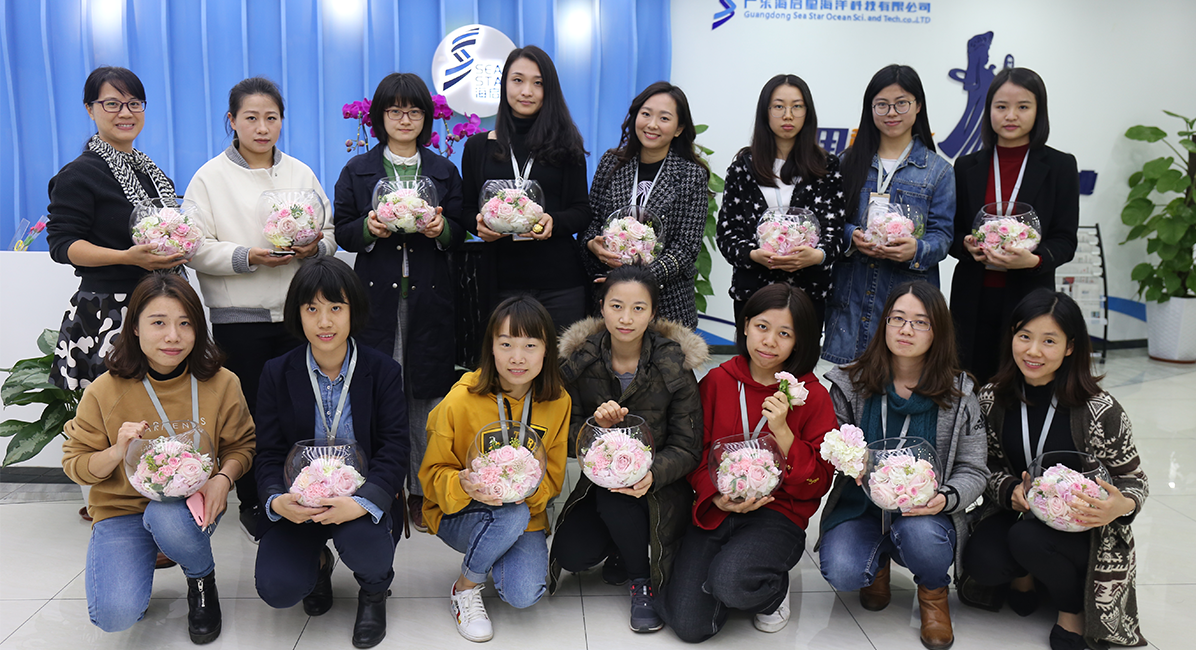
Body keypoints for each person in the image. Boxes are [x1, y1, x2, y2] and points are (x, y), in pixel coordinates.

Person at [60, 272, 255, 644]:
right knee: (114, 615)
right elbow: (76, 464)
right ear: (134, 327)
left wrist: (223, 478)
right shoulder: (104, 390)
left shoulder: (221, 382)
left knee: (165, 517)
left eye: (185, 323)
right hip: (122, 510)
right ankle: (138, 563)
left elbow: (242, 445)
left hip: (190, 505)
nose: (173, 336)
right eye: (159, 323)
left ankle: (201, 578)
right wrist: (117, 451)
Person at [185, 76, 337, 540]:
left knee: (300, 410)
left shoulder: (300, 173)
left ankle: (305, 492)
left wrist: (313, 248)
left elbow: (330, 234)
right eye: (251, 117)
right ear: (232, 121)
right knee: (248, 414)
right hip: (240, 321)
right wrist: (247, 256)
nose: (262, 127)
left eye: (271, 117)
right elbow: (193, 246)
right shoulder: (210, 177)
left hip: (296, 318)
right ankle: (256, 502)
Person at [961, 290, 1148, 650]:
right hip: (1019, 513)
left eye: (1049, 341)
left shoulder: (1099, 409)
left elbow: (1134, 479)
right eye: (1024, 336)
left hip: (1082, 526)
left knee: (1026, 539)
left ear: (1069, 347)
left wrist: (1119, 506)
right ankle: (1027, 574)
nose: (1033, 351)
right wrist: (1009, 488)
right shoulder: (992, 398)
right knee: (983, 562)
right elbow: (986, 465)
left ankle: (1070, 609)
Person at [818, 281, 985, 650]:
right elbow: (830, 447)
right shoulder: (850, 382)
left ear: (938, 331)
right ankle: (877, 565)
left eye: (920, 322)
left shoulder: (959, 394)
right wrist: (848, 461)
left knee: (923, 539)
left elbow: (975, 469)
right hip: (862, 507)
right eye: (897, 318)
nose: (906, 330)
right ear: (884, 324)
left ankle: (933, 594)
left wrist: (946, 498)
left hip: (924, 513)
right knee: (842, 570)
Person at [333, 72, 466, 532]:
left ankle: (421, 491)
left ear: (426, 118)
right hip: (376, 301)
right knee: (380, 390)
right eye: (394, 111)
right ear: (379, 117)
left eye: (413, 111)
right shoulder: (358, 170)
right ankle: (382, 486)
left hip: (429, 299)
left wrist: (442, 230)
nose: (404, 119)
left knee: (425, 398)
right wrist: (369, 228)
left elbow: (461, 229)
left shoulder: (444, 170)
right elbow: (343, 229)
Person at [252, 256, 408, 649]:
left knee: (367, 548)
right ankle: (319, 565)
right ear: (297, 314)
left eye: (336, 308)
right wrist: (276, 500)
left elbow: (394, 448)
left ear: (354, 310)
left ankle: (373, 592)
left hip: (358, 499)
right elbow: (268, 452)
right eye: (312, 309)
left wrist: (362, 503)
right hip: (300, 500)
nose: (324, 322)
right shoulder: (276, 372)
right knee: (277, 588)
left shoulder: (383, 371)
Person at [667, 283, 836, 642]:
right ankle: (734, 577)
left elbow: (820, 481)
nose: (769, 341)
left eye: (785, 333)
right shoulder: (718, 380)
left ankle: (771, 591)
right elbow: (695, 451)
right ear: (745, 326)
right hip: (720, 507)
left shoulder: (812, 395)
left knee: (731, 583)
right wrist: (715, 496)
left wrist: (784, 432)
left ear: (799, 341)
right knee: (689, 626)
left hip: (778, 513)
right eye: (762, 327)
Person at [548, 264, 706, 632]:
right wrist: (594, 430)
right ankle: (622, 545)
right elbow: (562, 434)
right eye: (616, 306)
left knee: (618, 497)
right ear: (601, 307)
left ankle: (641, 580)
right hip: (601, 481)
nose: (626, 318)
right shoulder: (580, 361)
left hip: (661, 485)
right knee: (573, 555)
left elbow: (688, 447)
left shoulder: (672, 363)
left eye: (638, 308)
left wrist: (651, 474)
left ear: (653, 313)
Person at [420, 296, 571, 642]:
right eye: (506, 345)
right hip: (461, 513)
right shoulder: (460, 400)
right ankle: (465, 587)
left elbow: (553, 477)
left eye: (530, 346)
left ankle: (493, 549)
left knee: (524, 594)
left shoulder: (558, 400)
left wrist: (524, 493)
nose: (517, 357)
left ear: (547, 350)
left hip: (524, 511)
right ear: (491, 348)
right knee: (509, 517)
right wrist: (462, 483)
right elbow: (431, 477)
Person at [46, 67, 184, 396]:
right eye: (112, 104)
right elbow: (62, 245)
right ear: (90, 109)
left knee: (166, 407)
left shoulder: (154, 176)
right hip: (110, 311)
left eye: (134, 103)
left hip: (163, 303)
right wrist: (127, 257)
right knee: (115, 412)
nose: (125, 113)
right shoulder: (78, 175)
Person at [949, 68, 1080, 385]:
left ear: (1039, 111)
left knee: (1022, 383)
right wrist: (965, 245)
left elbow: (1065, 239)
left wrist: (1034, 260)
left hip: (1030, 296)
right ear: (989, 110)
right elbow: (952, 233)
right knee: (968, 381)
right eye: (1001, 106)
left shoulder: (1060, 166)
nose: (1011, 115)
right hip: (973, 296)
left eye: (1023, 106)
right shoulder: (966, 166)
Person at [822, 65, 956, 365]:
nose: (891, 112)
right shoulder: (846, 162)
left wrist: (916, 249)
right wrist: (851, 237)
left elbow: (943, 236)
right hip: (852, 296)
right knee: (847, 383)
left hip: (906, 297)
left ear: (918, 106)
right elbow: (830, 221)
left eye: (901, 103)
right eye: (881, 104)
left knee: (902, 375)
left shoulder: (938, 171)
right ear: (870, 108)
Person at [460, 45, 590, 332]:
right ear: (504, 84)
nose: (526, 91)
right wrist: (478, 224)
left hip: (560, 283)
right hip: (500, 281)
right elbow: (466, 209)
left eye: (538, 83)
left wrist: (553, 222)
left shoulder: (567, 145)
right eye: (517, 80)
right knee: (507, 358)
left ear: (549, 89)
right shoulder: (478, 147)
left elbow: (582, 211)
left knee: (562, 360)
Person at [716, 74, 847, 329]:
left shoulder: (826, 167)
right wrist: (753, 254)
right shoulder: (743, 167)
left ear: (807, 112)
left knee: (801, 355)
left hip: (808, 291)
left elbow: (836, 232)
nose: (788, 115)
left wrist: (816, 255)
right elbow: (727, 233)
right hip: (754, 291)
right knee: (756, 354)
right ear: (765, 112)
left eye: (797, 106)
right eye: (778, 106)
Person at [581, 82, 710, 329]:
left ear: (679, 129)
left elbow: (686, 247)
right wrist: (592, 245)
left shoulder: (691, 175)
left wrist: (639, 279)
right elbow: (592, 220)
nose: (652, 124)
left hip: (666, 305)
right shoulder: (611, 162)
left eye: (664, 118)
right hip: (608, 299)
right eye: (646, 114)